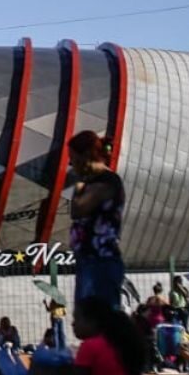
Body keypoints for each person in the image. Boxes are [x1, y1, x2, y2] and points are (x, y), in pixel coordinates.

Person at [66, 130, 126, 309]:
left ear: (86, 155)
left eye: (73, 158)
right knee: (85, 315)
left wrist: (79, 185)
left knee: (98, 315)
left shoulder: (108, 181)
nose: (71, 164)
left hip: (100, 261)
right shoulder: (93, 182)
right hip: (88, 259)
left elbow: (78, 209)